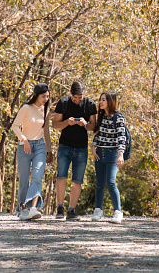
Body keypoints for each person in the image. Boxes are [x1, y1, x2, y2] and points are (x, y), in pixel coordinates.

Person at [53, 81, 97, 220]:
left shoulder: (90, 105)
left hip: (81, 148)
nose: (78, 100)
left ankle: (71, 211)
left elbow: (93, 127)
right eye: (75, 97)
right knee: (61, 176)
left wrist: (85, 125)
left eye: (80, 98)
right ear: (71, 94)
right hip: (65, 146)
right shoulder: (63, 103)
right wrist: (67, 122)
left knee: (77, 180)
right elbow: (55, 125)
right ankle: (60, 208)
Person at [12, 83, 53, 220]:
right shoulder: (26, 108)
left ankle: (33, 208)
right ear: (36, 95)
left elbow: (46, 132)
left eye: (47, 97)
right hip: (24, 146)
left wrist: (49, 150)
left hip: (40, 146)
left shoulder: (46, 110)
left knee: (37, 176)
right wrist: (24, 140)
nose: (46, 99)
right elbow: (15, 126)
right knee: (24, 180)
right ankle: (23, 209)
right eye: (43, 96)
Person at [91, 92, 126, 224]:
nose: (100, 102)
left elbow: (121, 137)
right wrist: (93, 147)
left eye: (103, 100)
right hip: (100, 153)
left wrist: (120, 154)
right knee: (99, 183)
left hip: (113, 153)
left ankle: (118, 211)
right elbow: (98, 134)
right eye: (100, 100)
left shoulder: (118, 117)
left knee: (111, 182)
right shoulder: (101, 116)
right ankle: (98, 210)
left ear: (110, 101)